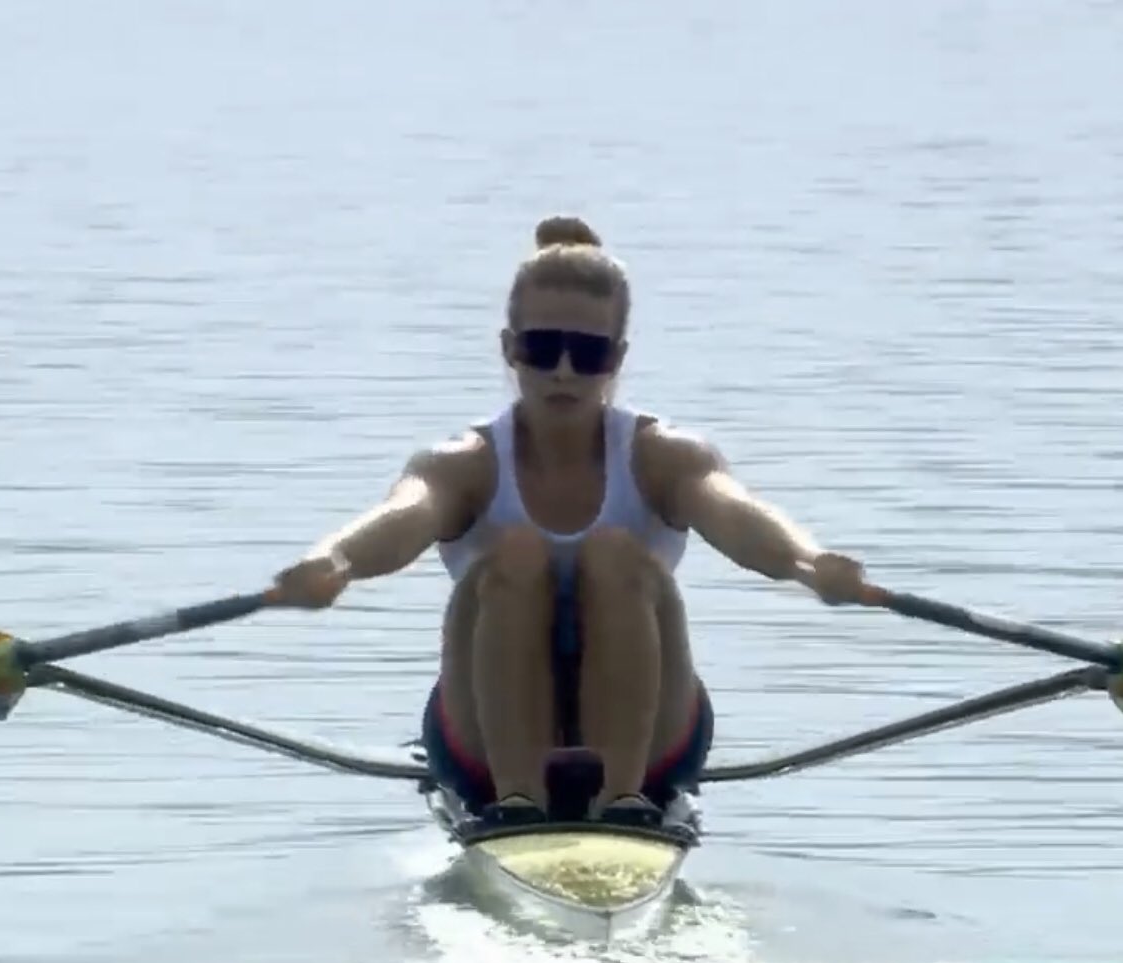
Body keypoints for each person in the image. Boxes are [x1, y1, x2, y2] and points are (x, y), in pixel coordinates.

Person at [271, 215, 869, 827]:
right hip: (482, 740)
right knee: (516, 555)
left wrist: (809, 563)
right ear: (509, 349)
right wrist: (335, 562)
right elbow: (404, 515)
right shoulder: (463, 466)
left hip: (655, 737)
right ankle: (517, 801)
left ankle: (625, 799)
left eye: (587, 354)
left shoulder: (665, 457)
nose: (562, 370)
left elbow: (733, 512)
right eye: (541, 348)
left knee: (614, 555)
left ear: (617, 359)